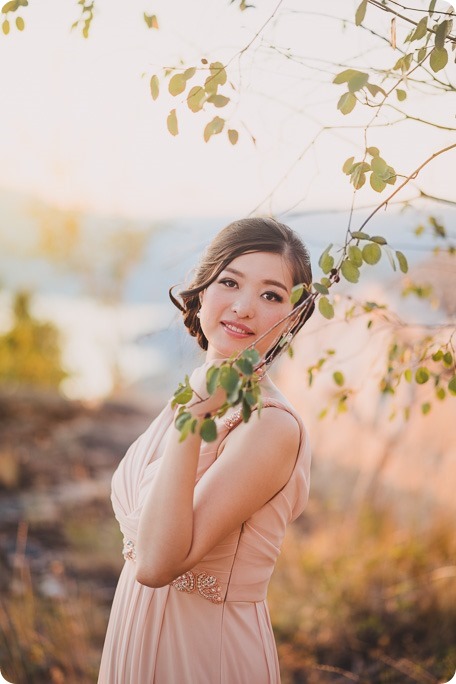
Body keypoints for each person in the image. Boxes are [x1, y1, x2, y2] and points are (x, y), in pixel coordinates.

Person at [98, 217, 314, 683]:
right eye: (229, 282)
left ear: (292, 317)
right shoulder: (199, 393)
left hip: (204, 652)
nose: (242, 307)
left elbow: (157, 564)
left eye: (271, 294)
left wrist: (192, 417)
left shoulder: (269, 425)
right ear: (202, 289)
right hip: (134, 629)